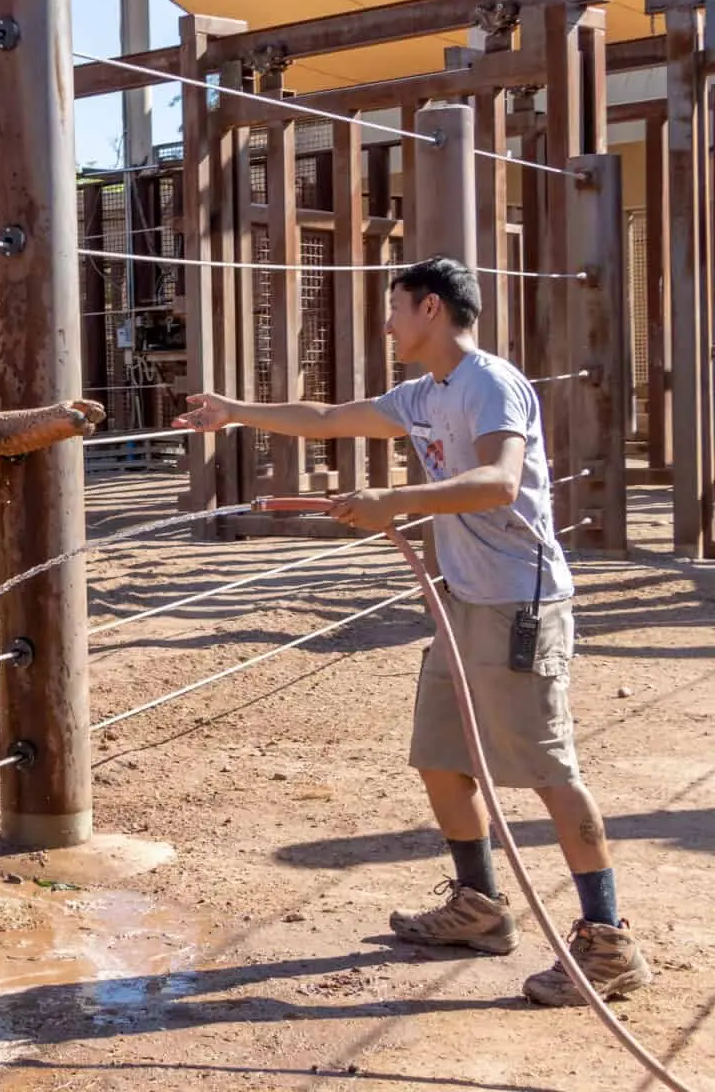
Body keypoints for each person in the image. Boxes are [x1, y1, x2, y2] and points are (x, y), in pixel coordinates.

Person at [174, 255, 651, 1006]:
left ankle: (609, 940)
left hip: (515, 605)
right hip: (462, 602)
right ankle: (480, 907)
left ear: (430, 308)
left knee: (550, 772)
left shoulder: (490, 384)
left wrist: (395, 500)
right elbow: (330, 420)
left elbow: (497, 481)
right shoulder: (424, 394)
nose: (387, 323)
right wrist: (236, 410)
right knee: (440, 755)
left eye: (394, 308)